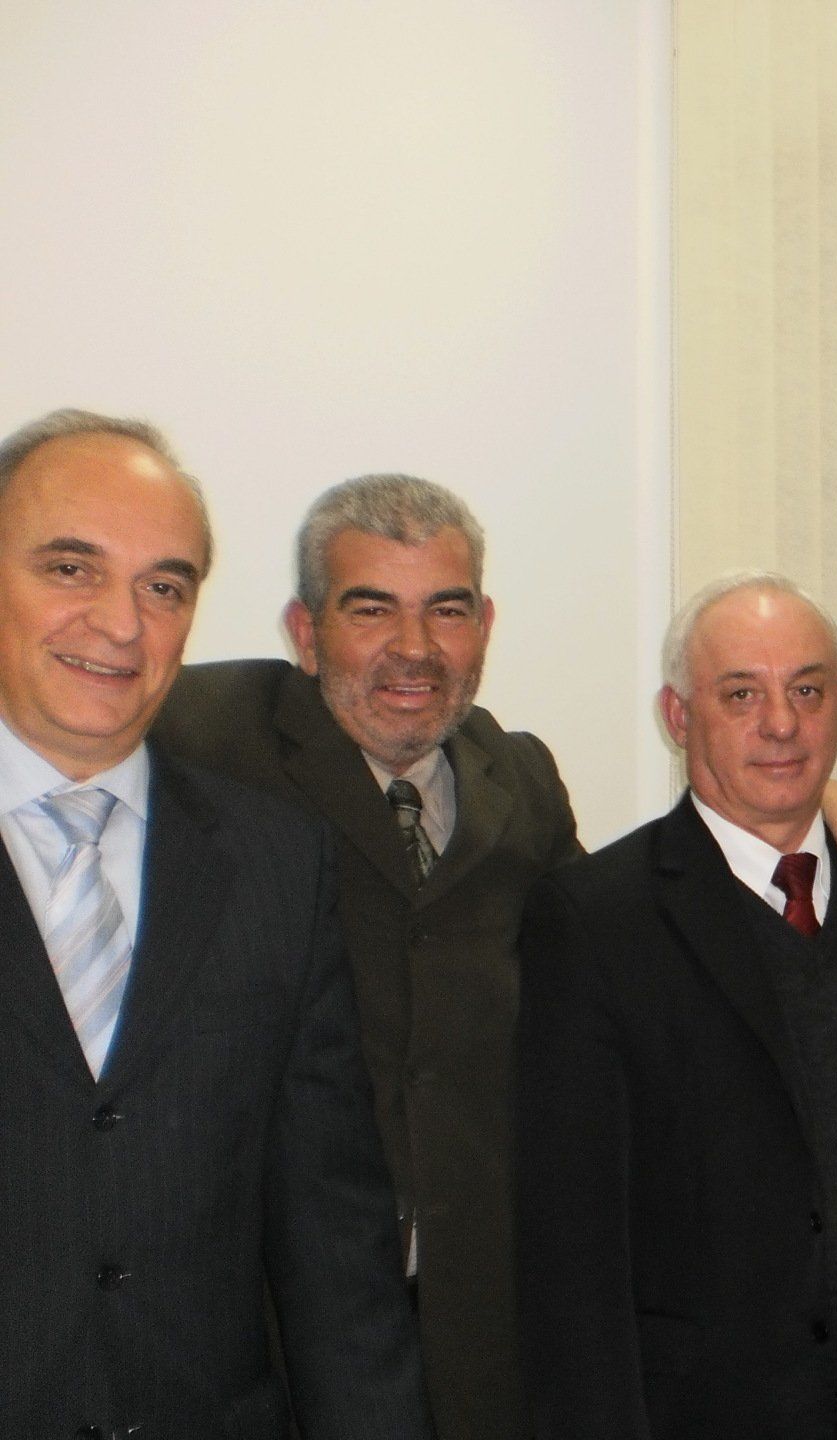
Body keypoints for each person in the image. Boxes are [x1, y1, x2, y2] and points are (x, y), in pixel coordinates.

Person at [153, 477, 837, 1440]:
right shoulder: (208, 734)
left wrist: (795, 800)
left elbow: (639, 940)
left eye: (446, 609)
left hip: (486, 1328)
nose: (415, 647)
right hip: (275, 1330)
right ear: (306, 634)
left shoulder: (519, 777)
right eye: (372, 609)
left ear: (485, 625)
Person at [0, 409, 432, 1438]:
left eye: (165, 586)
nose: (121, 624)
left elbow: (334, 1247)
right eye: (71, 568)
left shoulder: (275, 865)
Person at [516, 571, 837, 1439]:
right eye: (741, 693)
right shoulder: (596, 922)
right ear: (678, 716)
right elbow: (571, 1245)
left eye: (807, 691)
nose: (781, 723)